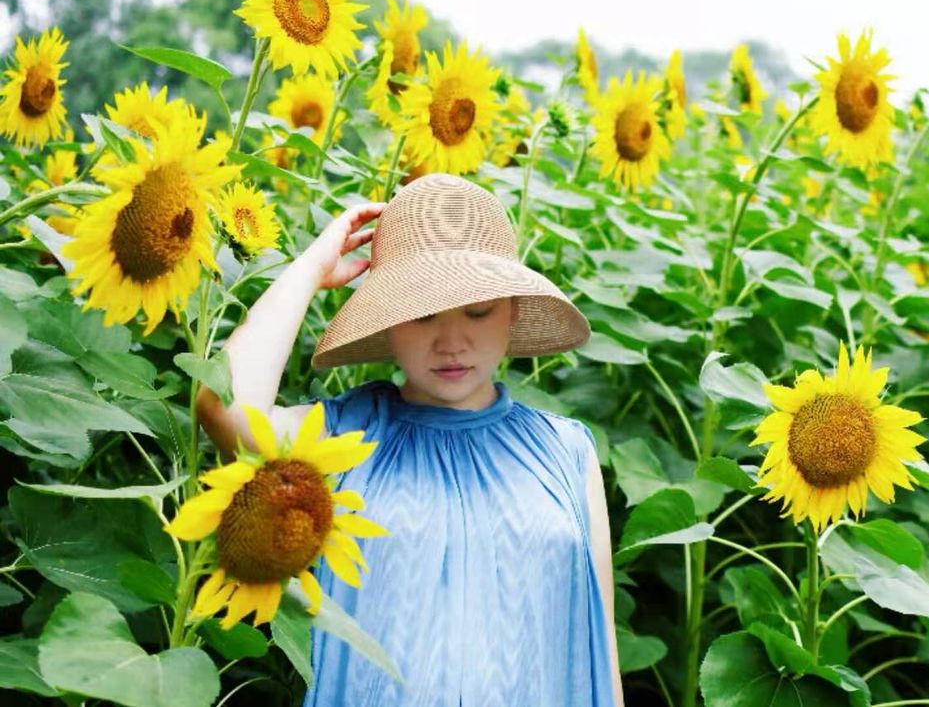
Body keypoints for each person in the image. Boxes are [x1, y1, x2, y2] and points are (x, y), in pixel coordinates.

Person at [196, 174, 624, 706]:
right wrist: (308, 268)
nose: (451, 342)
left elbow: (597, 649)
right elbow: (226, 406)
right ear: (388, 320)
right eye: (421, 314)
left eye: (478, 310)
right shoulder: (345, 438)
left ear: (513, 309)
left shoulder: (568, 451)